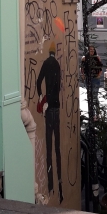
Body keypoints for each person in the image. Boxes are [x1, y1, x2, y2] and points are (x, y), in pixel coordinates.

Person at [36, 41, 63, 203]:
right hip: (56, 107)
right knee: (57, 146)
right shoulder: (57, 65)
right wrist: (52, 99)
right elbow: (58, 86)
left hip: (48, 108)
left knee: (48, 147)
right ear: (55, 52)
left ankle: (50, 186)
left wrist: (42, 97)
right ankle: (60, 185)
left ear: (48, 52)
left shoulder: (46, 63)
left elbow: (38, 81)